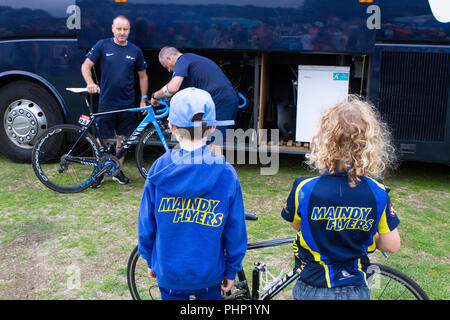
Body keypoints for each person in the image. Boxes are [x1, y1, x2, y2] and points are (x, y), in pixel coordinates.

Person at [281, 95, 401, 300]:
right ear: (369, 145)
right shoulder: (378, 192)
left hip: (311, 286)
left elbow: (296, 224)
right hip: (354, 288)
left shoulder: (304, 188)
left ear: (325, 140)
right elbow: (391, 245)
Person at [138, 87, 247, 300]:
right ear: (213, 127)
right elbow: (235, 228)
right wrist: (232, 268)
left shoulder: (160, 168)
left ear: (171, 127)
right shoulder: (225, 173)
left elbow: (146, 223)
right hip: (209, 275)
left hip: (170, 273)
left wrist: (150, 259)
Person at [81, 15, 148, 186]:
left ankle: (116, 171)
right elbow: (85, 65)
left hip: (127, 103)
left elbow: (143, 76)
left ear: (129, 30)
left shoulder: (135, 51)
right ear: (112, 28)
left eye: (125, 29)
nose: (122, 32)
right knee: (102, 138)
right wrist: (90, 82)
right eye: (119, 29)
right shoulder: (102, 45)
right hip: (107, 102)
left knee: (124, 140)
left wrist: (143, 99)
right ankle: (99, 172)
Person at [150, 46, 239, 154]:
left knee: (211, 143)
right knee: (210, 142)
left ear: (169, 58)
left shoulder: (182, 60)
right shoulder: (191, 62)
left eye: (166, 67)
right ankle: (209, 168)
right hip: (225, 100)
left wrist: (155, 96)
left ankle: (210, 170)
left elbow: (172, 88)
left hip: (221, 102)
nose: (169, 70)